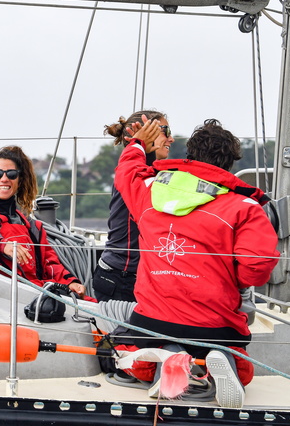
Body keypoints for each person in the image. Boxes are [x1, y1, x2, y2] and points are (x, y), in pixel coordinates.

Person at [113, 118, 279, 408]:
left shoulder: (150, 192)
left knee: (128, 356)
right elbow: (257, 267)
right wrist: (232, 279)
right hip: (217, 324)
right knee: (243, 370)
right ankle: (219, 359)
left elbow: (127, 172)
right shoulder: (245, 207)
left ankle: (168, 356)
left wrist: (137, 144)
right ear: (230, 163)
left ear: (189, 155)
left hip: (154, 320)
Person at [0, 146, 87, 296]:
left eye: (12, 174)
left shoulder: (32, 227)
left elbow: (50, 262)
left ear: (19, 181)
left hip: (37, 294)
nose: (4, 179)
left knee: (90, 304)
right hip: (0, 296)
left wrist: (70, 282)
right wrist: (0, 246)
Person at [92, 110, 174, 302]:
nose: (171, 139)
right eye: (166, 131)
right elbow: (140, 169)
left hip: (134, 276)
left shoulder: (148, 173)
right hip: (120, 278)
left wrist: (141, 144)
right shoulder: (133, 175)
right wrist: (139, 143)